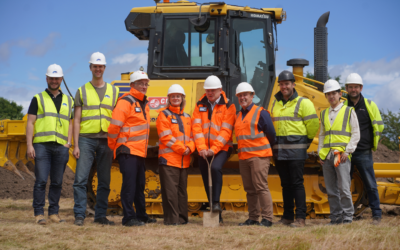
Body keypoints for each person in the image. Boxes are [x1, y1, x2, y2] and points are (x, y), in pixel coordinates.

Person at [73, 52, 119, 226]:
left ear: (104, 68)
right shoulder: (82, 91)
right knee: (80, 179)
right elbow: (76, 120)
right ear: (90, 68)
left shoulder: (114, 91)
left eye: (100, 66)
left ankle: (100, 215)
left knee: (105, 180)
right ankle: (79, 214)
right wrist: (76, 144)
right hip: (86, 139)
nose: (98, 69)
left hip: (106, 140)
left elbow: (117, 119)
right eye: (95, 66)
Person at [271, 70, 319, 227]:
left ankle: (300, 219)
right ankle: (287, 217)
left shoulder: (303, 103)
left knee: (297, 183)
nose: (284, 87)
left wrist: (305, 144)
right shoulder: (275, 103)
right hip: (280, 151)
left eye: (287, 84)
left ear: (293, 84)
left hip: (296, 151)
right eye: (281, 84)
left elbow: (313, 126)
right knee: (285, 184)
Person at [26, 64, 73, 225]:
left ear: (61, 79)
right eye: (51, 78)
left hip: (61, 146)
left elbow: (71, 123)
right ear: (47, 78)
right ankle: (39, 214)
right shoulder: (38, 98)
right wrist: (29, 145)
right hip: (42, 146)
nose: (54, 81)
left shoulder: (68, 100)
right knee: (40, 181)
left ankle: (54, 213)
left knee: (57, 182)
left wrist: (69, 143)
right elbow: (30, 123)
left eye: (57, 78)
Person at [108, 70, 156, 226]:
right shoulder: (126, 102)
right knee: (129, 185)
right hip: (127, 151)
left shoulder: (144, 104)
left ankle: (141, 215)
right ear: (132, 85)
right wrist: (114, 147)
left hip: (139, 152)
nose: (144, 86)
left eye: (145, 84)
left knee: (139, 185)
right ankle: (128, 218)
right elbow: (114, 127)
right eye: (140, 84)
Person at [192, 75, 236, 222]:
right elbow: (196, 128)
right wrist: (202, 148)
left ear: (220, 90)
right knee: (206, 175)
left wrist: (214, 149)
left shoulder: (229, 106)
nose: (210, 93)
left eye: (213, 90)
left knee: (215, 168)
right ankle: (214, 210)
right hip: (204, 149)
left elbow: (226, 131)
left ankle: (216, 202)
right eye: (207, 90)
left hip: (222, 147)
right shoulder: (199, 105)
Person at [344, 73, 384, 225]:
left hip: (363, 151)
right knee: (344, 183)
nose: (353, 89)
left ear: (361, 88)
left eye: (356, 87)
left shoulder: (369, 105)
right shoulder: (343, 106)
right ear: (346, 88)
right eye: (350, 87)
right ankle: (345, 214)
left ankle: (377, 214)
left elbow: (379, 125)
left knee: (370, 184)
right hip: (346, 152)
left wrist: (372, 142)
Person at [318, 79, 360, 225]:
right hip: (328, 156)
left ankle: (348, 217)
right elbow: (322, 135)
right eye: (328, 94)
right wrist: (320, 153)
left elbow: (356, 134)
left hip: (341, 156)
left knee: (343, 188)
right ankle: (335, 217)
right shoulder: (324, 114)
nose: (331, 96)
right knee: (331, 190)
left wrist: (347, 152)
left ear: (340, 94)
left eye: (334, 93)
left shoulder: (349, 111)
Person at [234, 82, 276, 227]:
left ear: (252, 96)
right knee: (250, 189)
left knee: (260, 187)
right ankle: (253, 218)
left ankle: (267, 219)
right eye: (240, 95)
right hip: (244, 158)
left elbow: (271, 134)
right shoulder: (238, 115)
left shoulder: (261, 112)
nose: (242, 97)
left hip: (259, 156)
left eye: (245, 94)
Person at [156, 84, 195, 225]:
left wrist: (189, 148)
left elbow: (192, 137)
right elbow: (165, 136)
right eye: (173, 96)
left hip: (184, 160)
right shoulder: (163, 115)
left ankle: (182, 220)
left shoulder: (187, 117)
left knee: (182, 193)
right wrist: (182, 149)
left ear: (182, 98)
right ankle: (172, 221)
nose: (175, 98)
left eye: (178, 96)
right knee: (170, 193)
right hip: (169, 160)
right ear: (169, 98)